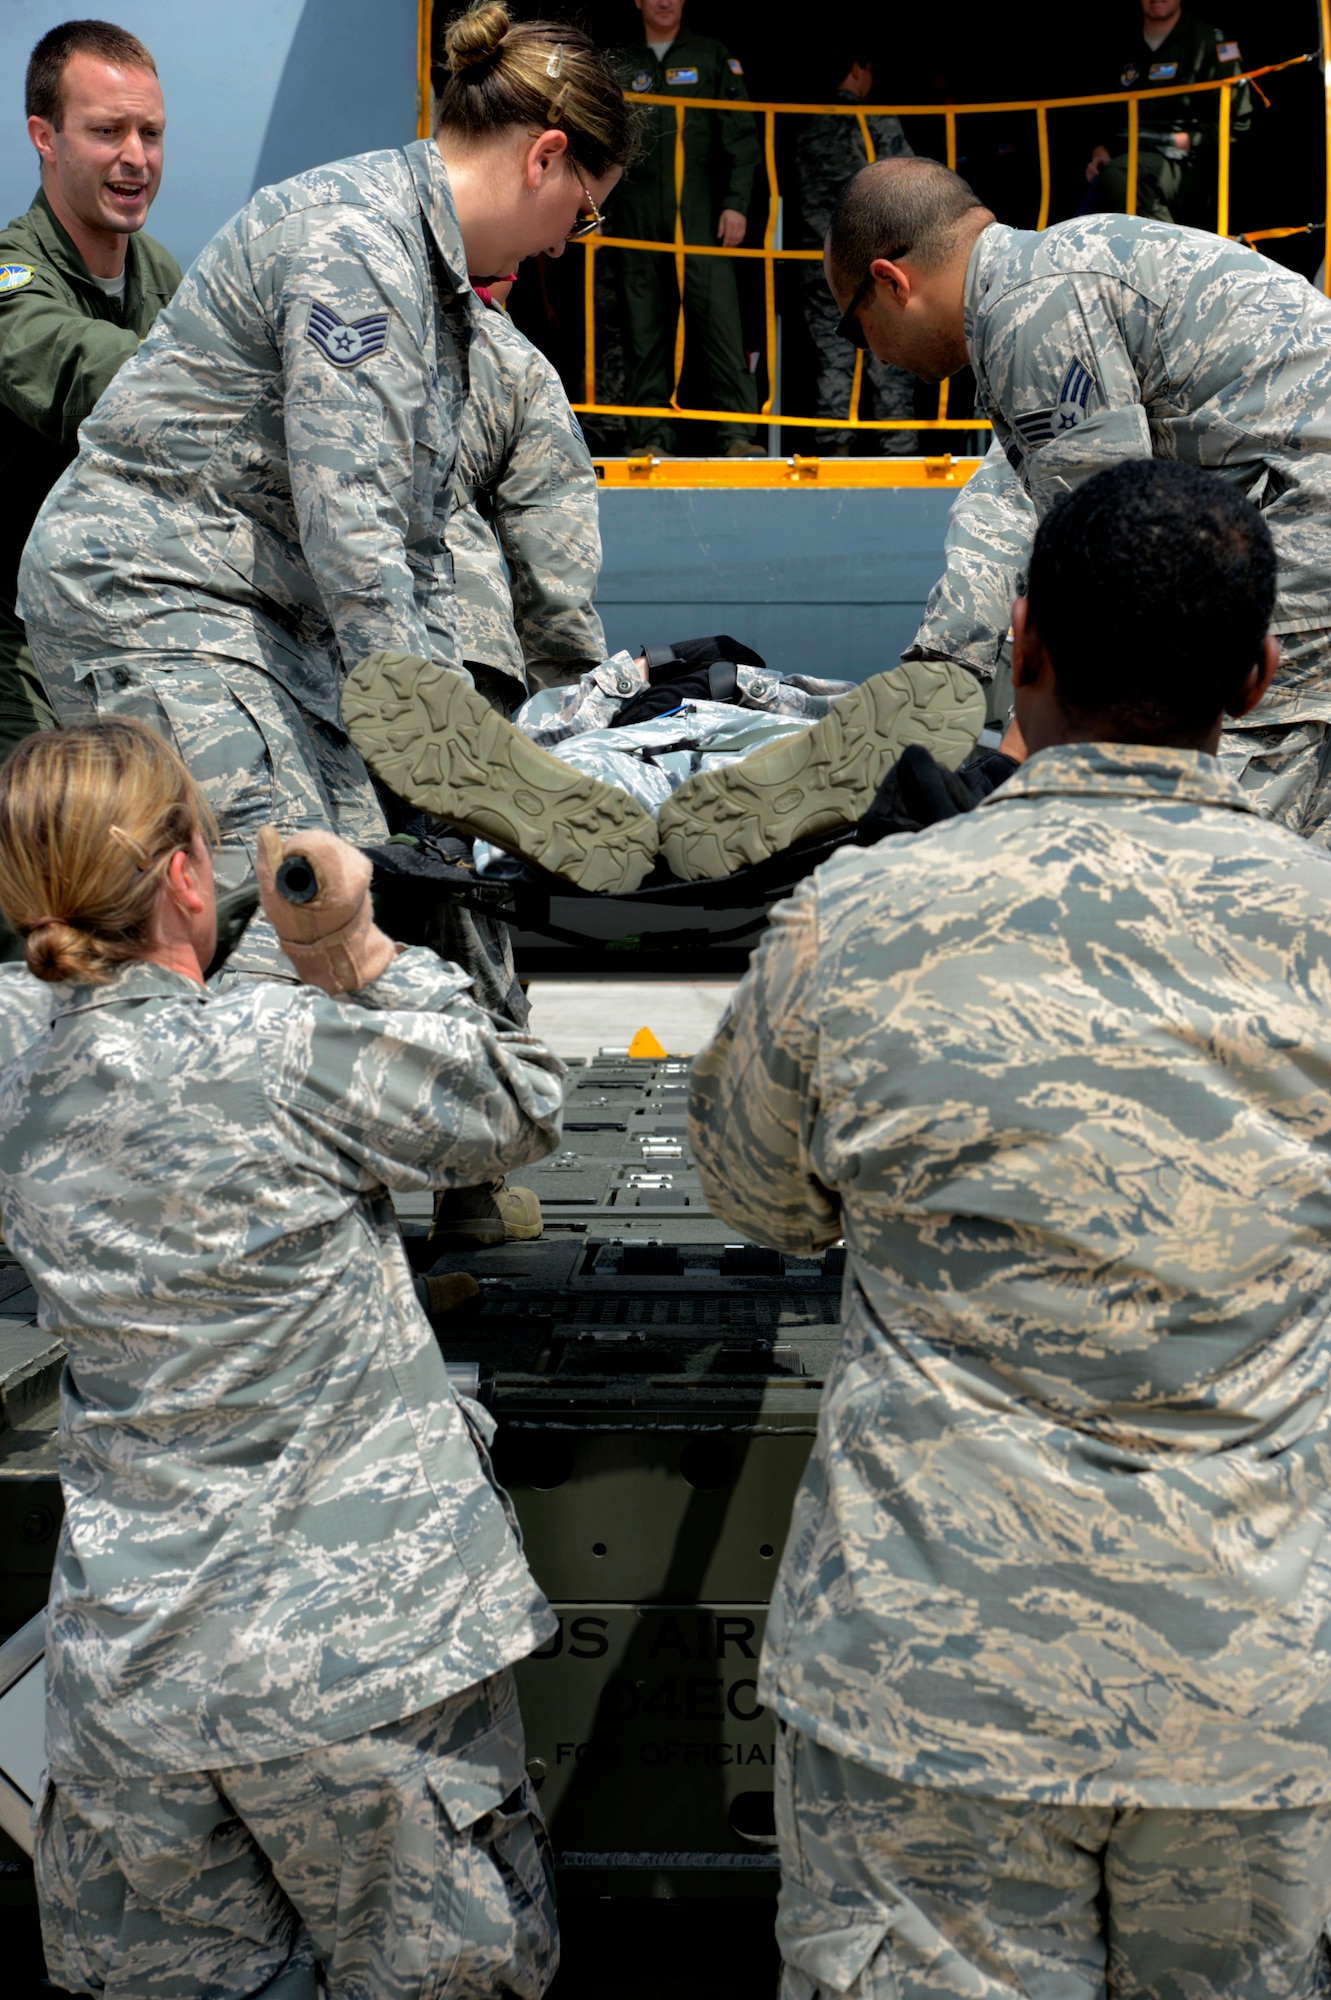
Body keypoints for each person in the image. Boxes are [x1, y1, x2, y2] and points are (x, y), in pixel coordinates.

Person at [688, 458, 1331, 2000]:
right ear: (1253, 676)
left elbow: (753, 1196)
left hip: (929, 1695)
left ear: (1020, 638)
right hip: (1242, 1693)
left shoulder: (858, 921)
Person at [0, 716, 566, 1999]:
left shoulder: (20, 1063)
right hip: (358, 1679)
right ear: (189, 874)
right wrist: (350, 944)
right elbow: (517, 1103)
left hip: (129, 1693)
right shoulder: (274, 1054)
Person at [18, 0, 656, 997]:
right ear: (544, 158)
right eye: (583, 210)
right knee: (285, 894)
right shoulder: (356, 248)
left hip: (260, 612)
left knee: (389, 879)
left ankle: (436, 1118)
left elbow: (420, 550)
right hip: (147, 592)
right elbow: (353, 535)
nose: (568, 243)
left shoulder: (435, 282)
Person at [825, 155, 1331, 844]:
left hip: (1310, 518)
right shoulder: (1045, 277)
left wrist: (1008, 769)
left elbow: (1111, 578)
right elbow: (1023, 509)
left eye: (854, 330)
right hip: (1294, 500)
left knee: (1200, 825)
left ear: (890, 282)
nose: (873, 357)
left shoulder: (1027, 315)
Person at [0, 20, 178, 767]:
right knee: (45, 835)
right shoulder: (12, 279)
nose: (135, 158)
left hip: (123, 630)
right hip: (16, 636)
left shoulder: (163, 278)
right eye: (107, 131)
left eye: (151, 133)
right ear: (46, 137)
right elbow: (80, 369)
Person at [609, 0, 763, 457]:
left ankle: (736, 435)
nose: (663, 1)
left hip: (699, 213)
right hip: (634, 214)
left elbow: (741, 136)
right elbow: (597, 139)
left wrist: (736, 205)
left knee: (720, 322)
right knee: (643, 327)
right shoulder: (619, 63)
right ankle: (650, 439)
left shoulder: (712, 55)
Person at [449, 276, 606, 712]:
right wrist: (568, 715)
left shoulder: (281, 305)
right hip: (455, 645)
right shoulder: (510, 358)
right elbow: (554, 569)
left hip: (279, 643)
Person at [793, 38, 916, 455]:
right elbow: (910, 184)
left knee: (833, 355)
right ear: (858, 69)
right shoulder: (876, 120)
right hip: (874, 263)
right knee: (890, 354)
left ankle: (832, 450)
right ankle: (898, 448)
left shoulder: (806, 124)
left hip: (820, 261)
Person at [1084, 0, 1250, 225]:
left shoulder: (1210, 42)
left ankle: (1177, 255)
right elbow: (1098, 115)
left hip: (1186, 165)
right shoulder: (1117, 44)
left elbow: (1236, 125)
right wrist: (1099, 151)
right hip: (1123, 154)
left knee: (1122, 174)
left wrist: (1177, 140)